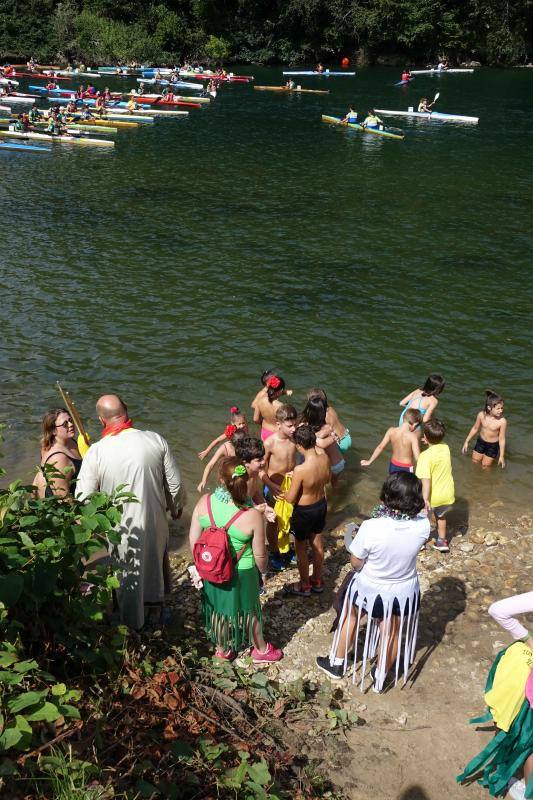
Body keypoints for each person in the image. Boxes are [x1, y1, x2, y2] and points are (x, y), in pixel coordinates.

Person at [76, 394, 185, 630]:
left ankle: (132, 627)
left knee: (127, 573)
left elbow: (83, 499)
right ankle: (155, 614)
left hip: (120, 527)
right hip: (155, 519)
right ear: (126, 411)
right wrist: (176, 507)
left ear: (101, 420)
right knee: (156, 566)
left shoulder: (96, 452)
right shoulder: (155, 440)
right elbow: (175, 486)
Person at [315, 473, 430, 691]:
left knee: (351, 617)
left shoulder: (372, 527)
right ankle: (380, 677)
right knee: (392, 632)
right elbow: (424, 513)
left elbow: (356, 562)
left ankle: (336, 664)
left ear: (386, 497)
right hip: (403, 591)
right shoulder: (422, 526)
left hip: (371, 587)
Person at [189, 457, 282, 663]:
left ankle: (222, 650)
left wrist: (199, 566)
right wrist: (264, 572)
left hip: (211, 567)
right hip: (242, 570)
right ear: (245, 480)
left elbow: (194, 540)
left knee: (218, 611)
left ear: (221, 480)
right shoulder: (251, 515)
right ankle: (260, 649)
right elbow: (259, 554)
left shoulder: (204, 502)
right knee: (249, 609)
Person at [282, 425, 330, 597]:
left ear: (300, 445)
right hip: (321, 505)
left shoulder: (300, 469)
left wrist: (286, 489)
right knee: (317, 542)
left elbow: (291, 498)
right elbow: (326, 478)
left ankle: (304, 584)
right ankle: (316, 580)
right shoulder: (324, 458)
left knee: (300, 547)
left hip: (304, 511)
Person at [260, 405, 298, 571]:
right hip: (273, 487)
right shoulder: (270, 443)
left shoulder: (295, 439)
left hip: (291, 485)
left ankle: (287, 548)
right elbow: (260, 470)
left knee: (290, 518)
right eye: (290, 426)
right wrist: (271, 485)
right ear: (278, 424)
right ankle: (275, 552)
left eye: (295, 424)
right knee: (274, 521)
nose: (294, 428)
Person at [415, 418, 455, 552]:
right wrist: (430, 439)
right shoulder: (445, 448)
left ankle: (419, 542)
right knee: (440, 517)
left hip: (433, 496)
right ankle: (442, 541)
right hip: (447, 493)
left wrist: (424, 499)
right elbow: (437, 444)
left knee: (422, 518)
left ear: (424, 437)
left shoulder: (424, 456)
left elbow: (426, 481)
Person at [35, 408, 82, 498]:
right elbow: (63, 497)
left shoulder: (70, 441)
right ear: (53, 431)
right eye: (65, 424)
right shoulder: (59, 458)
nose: (71, 424)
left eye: (70, 420)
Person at [361, 408, 423, 473]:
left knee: (392, 483)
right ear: (415, 424)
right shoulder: (413, 437)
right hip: (406, 467)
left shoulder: (391, 431)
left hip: (393, 465)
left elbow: (380, 447)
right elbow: (417, 458)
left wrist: (369, 461)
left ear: (403, 418)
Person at [300, 395, 345, 481]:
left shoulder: (324, 429)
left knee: (323, 486)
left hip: (333, 465)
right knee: (334, 485)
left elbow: (321, 443)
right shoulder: (326, 427)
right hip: (338, 462)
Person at [462, 390, 507, 469]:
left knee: (485, 466)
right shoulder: (481, 415)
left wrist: (501, 456)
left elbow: (502, 439)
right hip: (481, 442)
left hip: (492, 446)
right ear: (489, 408)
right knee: (474, 461)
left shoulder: (502, 421)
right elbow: (475, 428)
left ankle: (486, 481)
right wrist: (466, 441)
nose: (501, 410)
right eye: (498, 408)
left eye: (502, 408)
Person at [197, 429, 248, 493]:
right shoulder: (224, 448)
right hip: (227, 471)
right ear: (231, 442)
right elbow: (210, 464)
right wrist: (203, 480)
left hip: (238, 470)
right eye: (238, 447)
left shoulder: (245, 447)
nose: (241, 449)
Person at [306, 387, 351, 454]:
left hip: (340, 443)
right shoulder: (330, 408)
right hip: (347, 437)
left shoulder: (322, 415)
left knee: (314, 442)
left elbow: (323, 432)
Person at [253, 373, 288, 441]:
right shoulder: (281, 406)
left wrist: (263, 422)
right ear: (281, 391)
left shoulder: (260, 401)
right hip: (277, 434)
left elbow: (255, 419)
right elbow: (285, 424)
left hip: (265, 432)